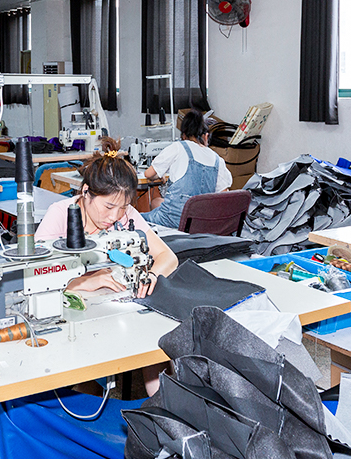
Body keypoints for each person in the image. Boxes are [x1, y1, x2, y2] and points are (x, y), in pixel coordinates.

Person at [34, 137, 179, 396]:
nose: (114, 216)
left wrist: (152, 276)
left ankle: (164, 411)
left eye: (122, 207)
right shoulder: (60, 214)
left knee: (156, 345)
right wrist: (84, 281)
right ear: (86, 192)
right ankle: (93, 404)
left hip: (118, 312)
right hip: (74, 320)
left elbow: (168, 257)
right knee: (78, 371)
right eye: (109, 206)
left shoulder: (127, 216)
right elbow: (36, 274)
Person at [142, 109, 232, 228]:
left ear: (183, 135)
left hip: (174, 220)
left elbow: (148, 174)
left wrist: (159, 174)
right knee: (157, 203)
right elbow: (223, 195)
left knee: (135, 219)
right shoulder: (217, 160)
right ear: (206, 136)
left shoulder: (178, 147)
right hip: (201, 223)